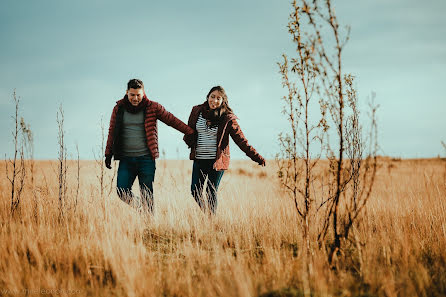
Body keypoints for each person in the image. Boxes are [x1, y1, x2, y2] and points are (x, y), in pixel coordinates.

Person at [105, 79, 194, 213]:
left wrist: (190, 132)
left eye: (138, 95)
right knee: (122, 191)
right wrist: (108, 153)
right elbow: (112, 131)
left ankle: (150, 222)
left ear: (143, 93)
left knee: (147, 194)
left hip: (146, 159)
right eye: (132, 95)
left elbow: (171, 120)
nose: (135, 98)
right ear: (127, 93)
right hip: (126, 159)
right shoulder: (119, 109)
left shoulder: (153, 107)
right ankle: (141, 207)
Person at [184, 86, 266, 214]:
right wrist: (188, 140)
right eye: (212, 97)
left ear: (223, 101)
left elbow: (241, 140)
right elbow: (189, 129)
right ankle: (207, 215)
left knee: (210, 191)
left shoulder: (227, 118)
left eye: (218, 98)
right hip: (200, 159)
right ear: (207, 97)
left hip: (217, 162)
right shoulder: (197, 111)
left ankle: (211, 220)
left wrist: (256, 157)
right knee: (195, 191)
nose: (214, 101)